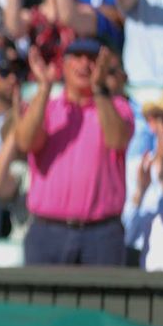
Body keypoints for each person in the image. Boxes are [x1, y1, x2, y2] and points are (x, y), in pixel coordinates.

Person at [15, 39, 133, 265]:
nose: (84, 64)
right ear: (64, 65)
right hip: (47, 231)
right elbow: (26, 142)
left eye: (92, 59)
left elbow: (117, 139)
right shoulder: (48, 108)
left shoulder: (118, 107)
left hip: (101, 234)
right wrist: (44, 86)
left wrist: (99, 89)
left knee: (103, 292)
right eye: (77, 57)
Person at [127, 89, 163, 271]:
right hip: (146, 274)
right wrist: (140, 192)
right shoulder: (135, 168)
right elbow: (127, 236)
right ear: (153, 124)